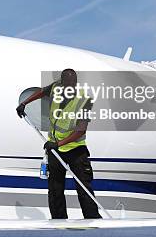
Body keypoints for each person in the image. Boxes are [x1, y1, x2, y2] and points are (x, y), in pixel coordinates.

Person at [15, 68, 101, 219]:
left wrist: (58, 144)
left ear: (76, 84)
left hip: (76, 150)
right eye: (66, 85)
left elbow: (81, 130)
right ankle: (59, 221)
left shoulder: (85, 100)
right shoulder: (55, 88)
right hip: (55, 149)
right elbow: (42, 92)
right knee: (55, 189)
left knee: (83, 188)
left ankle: (93, 220)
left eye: (72, 85)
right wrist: (25, 103)